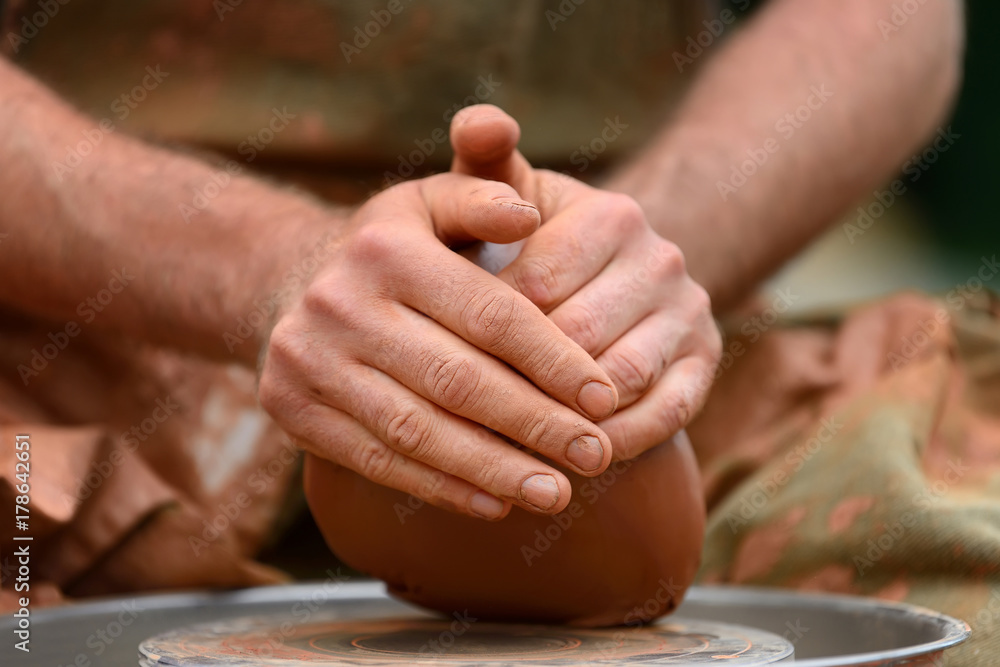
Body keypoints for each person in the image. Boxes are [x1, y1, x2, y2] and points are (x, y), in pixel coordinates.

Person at [5, 1, 997, 664]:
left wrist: (605, 275)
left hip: (651, 342)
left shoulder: (616, 296)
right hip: (80, 347)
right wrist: (278, 270)